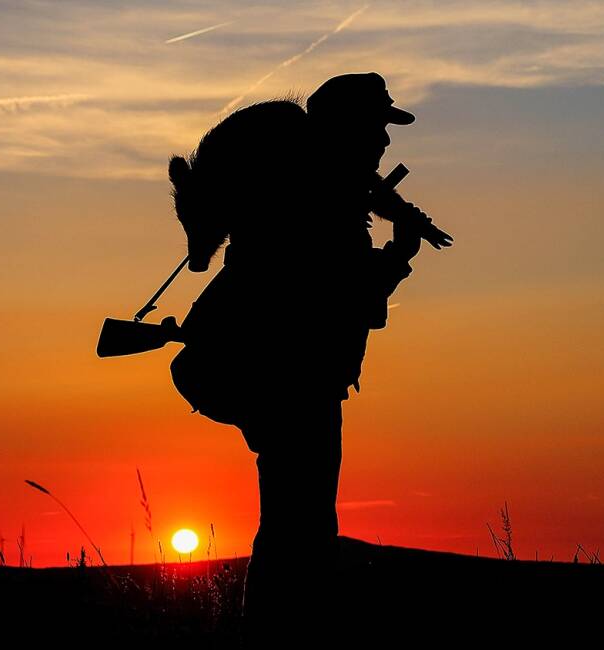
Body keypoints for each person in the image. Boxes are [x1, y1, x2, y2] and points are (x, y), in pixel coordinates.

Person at [167, 72, 449, 647]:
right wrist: (398, 256)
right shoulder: (321, 203)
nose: (385, 143)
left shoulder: (310, 189)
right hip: (297, 385)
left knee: (293, 525)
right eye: (378, 128)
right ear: (349, 128)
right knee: (302, 530)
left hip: (283, 379)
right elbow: (346, 298)